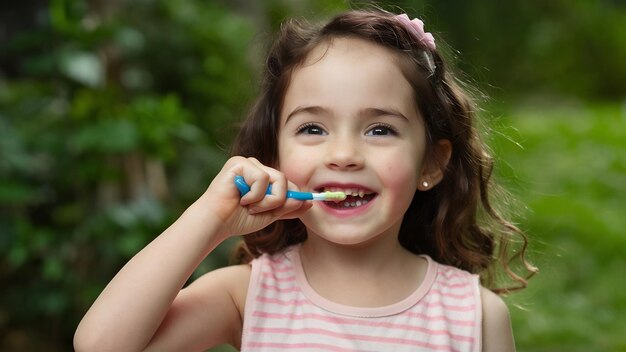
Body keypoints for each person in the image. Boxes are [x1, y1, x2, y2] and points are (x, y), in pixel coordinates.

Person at [74, 8, 536, 352]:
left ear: (431, 165)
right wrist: (210, 219)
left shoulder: (473, 317)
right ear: (275, 155)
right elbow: (101, 346)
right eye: (312, 129)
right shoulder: (248, 294)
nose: (343, 155)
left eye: (380, 129)